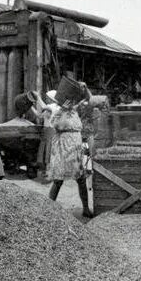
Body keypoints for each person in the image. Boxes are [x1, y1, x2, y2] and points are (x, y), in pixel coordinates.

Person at [47, 82, 94, 218]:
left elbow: (89, 100)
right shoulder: (57, 111)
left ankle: (85, 208)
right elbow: (57, 125)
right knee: (58, 180)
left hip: (75, 148)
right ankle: (48, 209)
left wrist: (86, 88)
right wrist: (63, 110)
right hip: (62, 148)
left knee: (81, 179)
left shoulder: (74, 110)